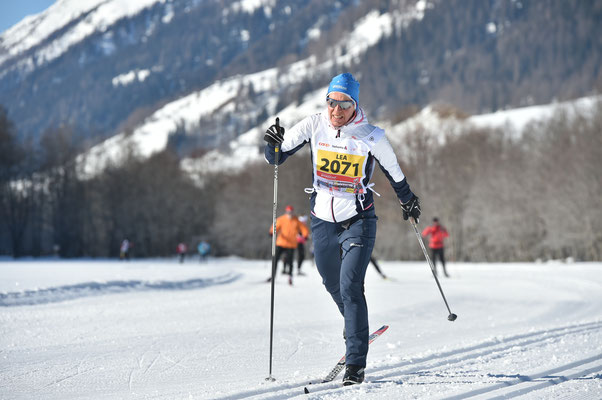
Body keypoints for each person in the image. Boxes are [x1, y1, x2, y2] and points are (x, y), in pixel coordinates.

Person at [264, 73, 421, 385]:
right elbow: (277, 158)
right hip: (321, 221)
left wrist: (409, 201)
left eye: (344, 103)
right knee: (330, 282)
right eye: (332, 102)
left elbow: (395, 173)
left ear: (355, 104)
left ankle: (355, 364)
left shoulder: (371, 135)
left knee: (351, 286)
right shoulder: (313, 124)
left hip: (358, 220)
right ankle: (355, 325)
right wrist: (271, 142)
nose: (336, 109)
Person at [268, 205, 309, 285]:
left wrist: (305, 235)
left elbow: (303, 228)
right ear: (286, 212)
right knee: (275, 259)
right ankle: (273, 275)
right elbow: (275, 225)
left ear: (292, 212)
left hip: (291, 244)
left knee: (290, 261)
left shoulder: (296, 220)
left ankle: (290, 276)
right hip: (281, 242)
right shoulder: (282, 219)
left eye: (290, 212)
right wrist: (271, 232)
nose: (289, 213)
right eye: (288, 212)